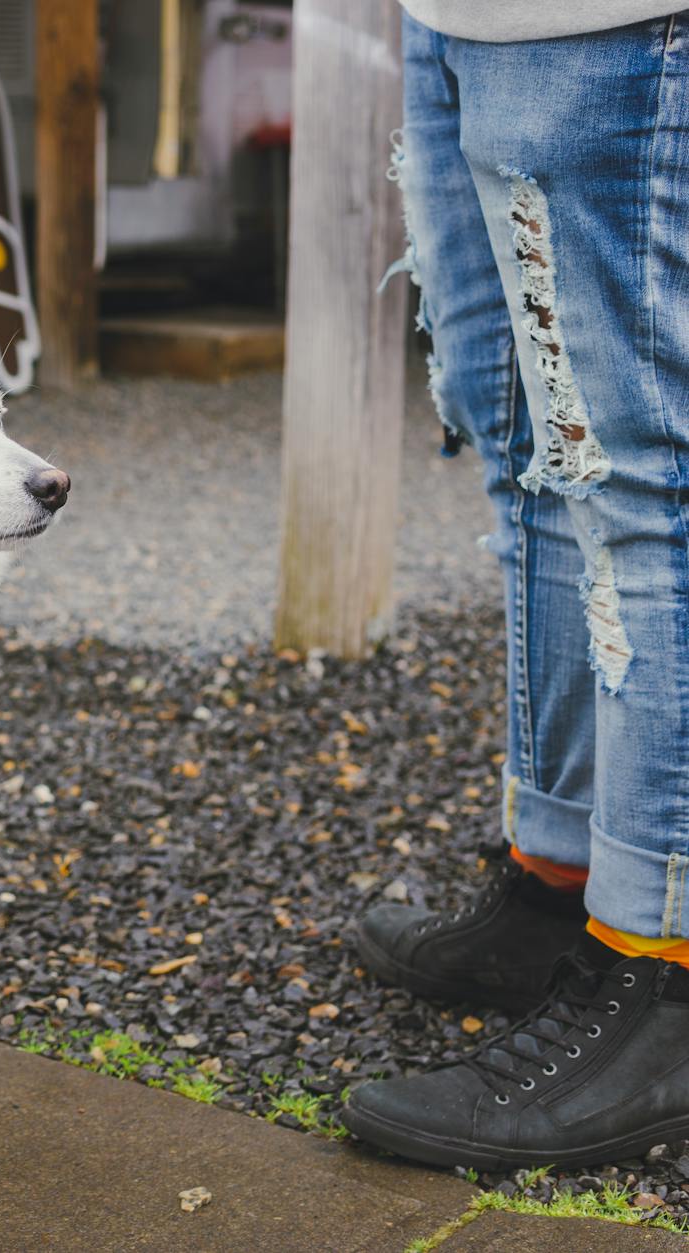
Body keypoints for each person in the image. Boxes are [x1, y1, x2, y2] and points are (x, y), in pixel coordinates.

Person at [341, 3, 689, 1168]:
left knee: (646, 488)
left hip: (614, 24)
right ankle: (556, 881)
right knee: (526, 455)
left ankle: (660, 966)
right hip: (461, 19)